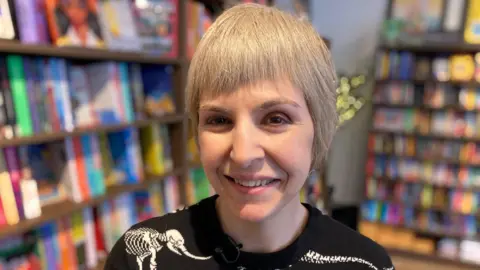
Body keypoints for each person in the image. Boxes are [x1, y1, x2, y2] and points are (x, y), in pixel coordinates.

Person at [104, 3, 395, 270]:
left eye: (275, 119)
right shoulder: (136, 258)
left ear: (318, 128)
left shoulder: (367, 265)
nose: (243, 154)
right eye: (219, 120)